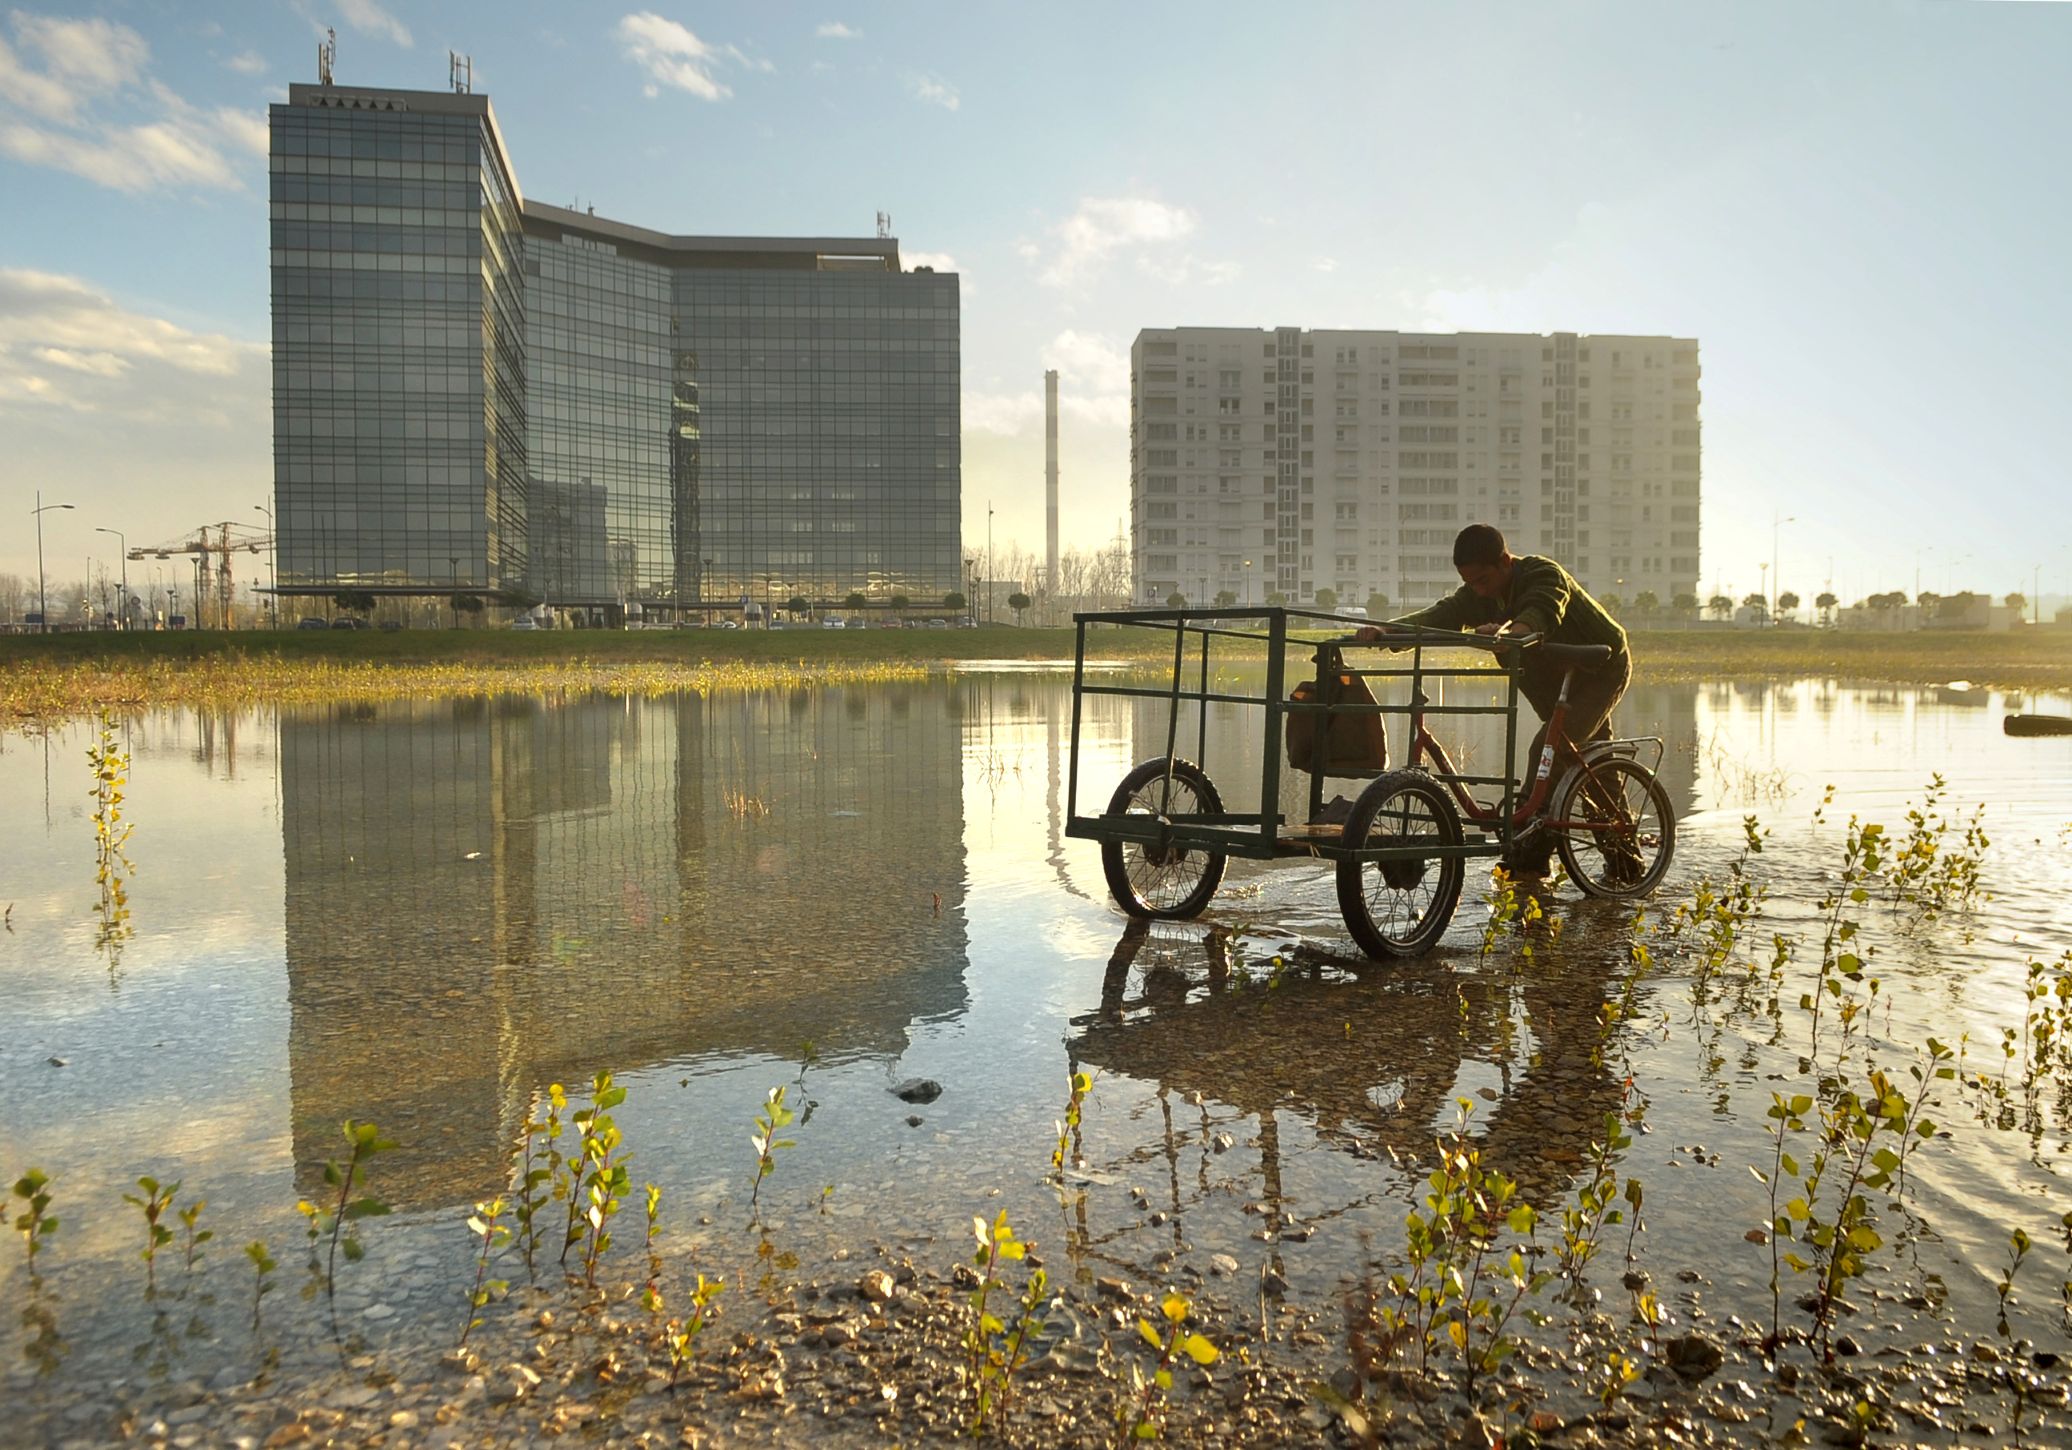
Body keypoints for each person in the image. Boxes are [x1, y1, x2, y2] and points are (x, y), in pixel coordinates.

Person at [1355, 523, 1633, 879]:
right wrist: (1386, 631)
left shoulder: (1543, 574)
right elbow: (1442, 616)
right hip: (1550, 677)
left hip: (1599, 667)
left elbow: (1540, 614)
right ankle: (1625, 865)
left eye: (1483, 580)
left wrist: (1507, 633)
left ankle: (1530, 857)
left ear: (1505, 561)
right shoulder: (1479, 594)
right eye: (1470, 583)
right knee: (1591, 760)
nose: (1477, 590)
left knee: (1551, 749)